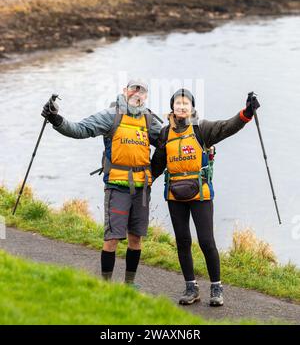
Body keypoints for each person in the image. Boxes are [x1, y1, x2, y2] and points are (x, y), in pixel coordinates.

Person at [42, 80, 162, 286]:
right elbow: (80, 129)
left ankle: (129, 284)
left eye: (142, 92)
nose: (137, 94)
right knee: (112, 239)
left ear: (146, 96)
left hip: (142, 189)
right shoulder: (110, 116)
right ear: (125, 92)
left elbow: (171, 140)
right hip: (117, 187)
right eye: (134, 89)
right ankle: (105, 287)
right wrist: (55, 119)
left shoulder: (149, 120)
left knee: (136, 239)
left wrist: (201, 144)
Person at [151, 88, 260, 306]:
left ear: (192, 107)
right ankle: (191, 288)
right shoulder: (165, 133)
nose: (181, 107)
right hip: (174, 196)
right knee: (182, 241)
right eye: (178, 103)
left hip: (201, 194)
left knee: (206, 241)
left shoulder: (203, 129)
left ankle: (216, 288)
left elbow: (228, 127)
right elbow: (157, 164)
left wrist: (247, 112)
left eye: (185, 103)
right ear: (172, 107)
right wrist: (142, 183)